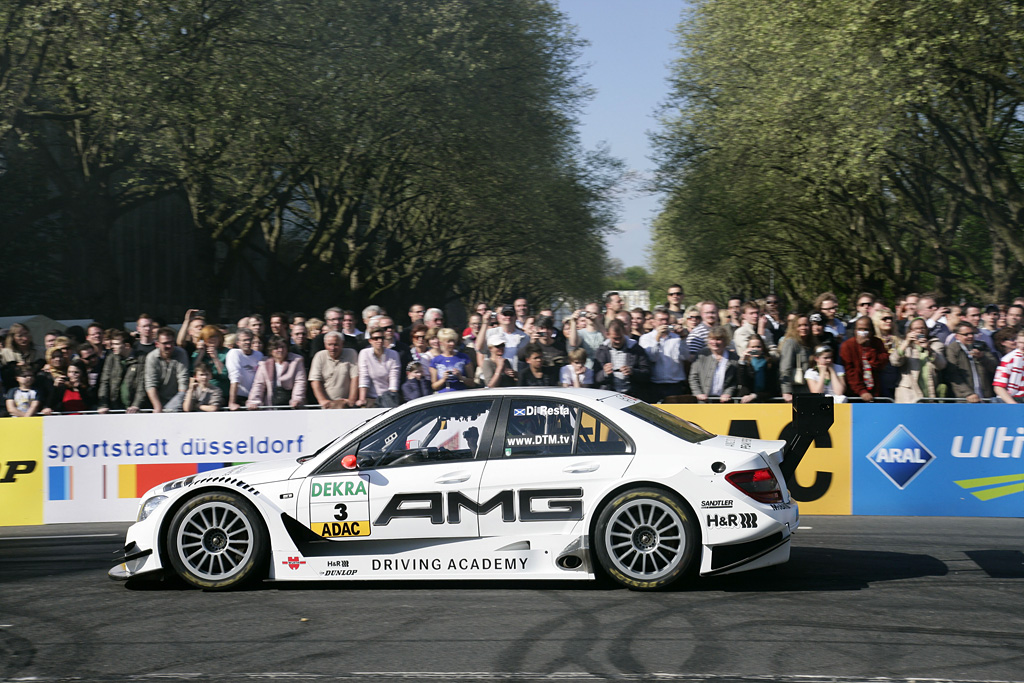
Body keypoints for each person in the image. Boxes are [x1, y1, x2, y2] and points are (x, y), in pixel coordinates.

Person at [890, 317, 948, 403]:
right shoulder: (906, 346)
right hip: (908, 395)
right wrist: (906, 342)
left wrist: (929, 349)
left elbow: (942, 365)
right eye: (916, 329)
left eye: (922, 328)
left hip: (928, 392)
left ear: (927, 330)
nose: (920, 331)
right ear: (910, 331)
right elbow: (894, 361)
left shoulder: (936, 344)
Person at [640, 308, 690, 401]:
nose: (664, 322)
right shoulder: (645, 338)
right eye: (660, 320)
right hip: (655, 384)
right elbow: (651, 358)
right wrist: (657, 339)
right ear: (653, 322)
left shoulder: (676, 337)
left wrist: (683, 337)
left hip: (675, 384)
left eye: (666, 320)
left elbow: (685, 357)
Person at [594, 320, 651, 398]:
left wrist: (633, 372)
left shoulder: (636, 349)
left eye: (620, 338)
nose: (617, 341)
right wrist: (604, 373)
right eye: (615, 338)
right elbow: (596, 378)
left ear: (624, 333)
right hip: (608, 395)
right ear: (608, 335)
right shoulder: (601, 351)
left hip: (632, 395)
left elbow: (647, 374)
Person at [246, 336, 307, 409]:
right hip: (272, 401)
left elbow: (300, 381)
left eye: (283, 347)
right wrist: (253, 402)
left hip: (291, 401)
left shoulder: (297, 360)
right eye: (276, 348)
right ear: (271, 350)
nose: (280, 350)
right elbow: (259, 384)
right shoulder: (264, 363)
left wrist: (297, 399)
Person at [839, 316, 888, 402]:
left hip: (875, 390)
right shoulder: (847, 346)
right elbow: (850, 372)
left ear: (871, 331)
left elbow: (880, 364)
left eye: (866, 329)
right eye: (859, 329)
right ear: (855, 331)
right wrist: (861, 390)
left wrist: (868, 348)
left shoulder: (877, 343)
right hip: (854, 393)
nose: (862, 332)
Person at [140, 327, 189, 413]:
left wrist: (176, 404)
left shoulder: (181, 353)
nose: (169, 346)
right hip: (157, 402)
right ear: (157, 344)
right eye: (165, 343)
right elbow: (150, 384)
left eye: (171, 343)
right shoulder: (151, 357)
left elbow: (183, 381)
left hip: (178, 402)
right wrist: (158, 407)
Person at [945, 323, 997, 403]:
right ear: (957, 336)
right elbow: (953, 374)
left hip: (984, 397)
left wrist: (982, 357)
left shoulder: (981, 345)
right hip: (964, 399)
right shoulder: (952, 349)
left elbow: (994, 367)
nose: (970, 336)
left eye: (972, 333)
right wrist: (968, 393)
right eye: (966, 334)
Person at [309, 331, 359, 409]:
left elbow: (355, 378)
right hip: (327, 405)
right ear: (325, 345)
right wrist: (322, 400)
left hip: (346, 404)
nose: (332, 348)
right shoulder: (319, 356)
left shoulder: (351, 353)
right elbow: (315, 381)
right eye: (329, 345)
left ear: (342, 343)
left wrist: (351, 400)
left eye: (336, 344)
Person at [688, 326, 738, 402]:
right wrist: (698, 393)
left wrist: (728, 393)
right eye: (712, 339)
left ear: (725, 341)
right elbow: (693, 377)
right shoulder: (702, 355)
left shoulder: (733, 358)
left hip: (724, 401)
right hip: (704, 400)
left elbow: (734, 380)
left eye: (718, 339)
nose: (714, 342)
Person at [358, 325, 401, 407]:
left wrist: (392, 398)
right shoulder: (364, 353)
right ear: (370, 340)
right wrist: (362, 399)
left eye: (382, 338)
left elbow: (394, 377)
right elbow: (364, 376)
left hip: (388, 397)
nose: (379, 341)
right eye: (376, 338)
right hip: (370, 397)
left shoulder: (393, 354)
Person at [97, 330, 135, 413]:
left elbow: (141, 385)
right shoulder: (111, 358)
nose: (112, 347)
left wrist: (136, 404)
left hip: (133, 408)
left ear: (127, 345)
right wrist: (103, 404)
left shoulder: (139, 359)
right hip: (115, 406)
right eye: (112, 344)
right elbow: (104, 382)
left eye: (116, 344)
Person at [778, 314, 815, 402]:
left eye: (806, 325)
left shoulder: (811, 343)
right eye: (799, 326)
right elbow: (785, 368)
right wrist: (786, 391)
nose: (803, 328)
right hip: (796, 390)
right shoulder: (791, 343)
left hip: (810, 389)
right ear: (794, 328)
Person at [226, 328, 264, 410]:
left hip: (255, 399)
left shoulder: (259, 355)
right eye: (244, 340)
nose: (248, 342)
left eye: (250, 339)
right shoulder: (234, 353)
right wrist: (232, 402)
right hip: (239, 398)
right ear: (238, 343)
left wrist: (255, 399)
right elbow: (235, 377)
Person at [736, 334, 779, 403]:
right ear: (748, 348)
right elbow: (742, 382)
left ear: (763, 347)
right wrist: (742, 361)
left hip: (765, 400)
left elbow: (772, 387)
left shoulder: (770, 363)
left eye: (758, 347)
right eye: (752, 347)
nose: (755, 349)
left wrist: (755, 395)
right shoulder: (745, 363)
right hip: (746, 401)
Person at [429, 328, 474, 393]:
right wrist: (443, 379)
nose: (452, 344)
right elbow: (434, 386)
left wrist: (461, 377)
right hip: (443, 396)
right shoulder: (435, 361)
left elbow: (472, 383)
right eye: (449, 341)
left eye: (453, 341)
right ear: (441, 342)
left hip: (461, 394)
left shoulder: (464, 357)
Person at [871, 307, 901, 399]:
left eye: (890, 318)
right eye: (884, 319)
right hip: (880, 382)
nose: (888, 321)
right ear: (877, 321)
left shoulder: (899, 340)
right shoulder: (873, 341)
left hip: (897, 381)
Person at [0, 323, 41, 388]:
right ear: (13, 337)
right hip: (11, 387)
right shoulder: (5, 353)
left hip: (35, 387)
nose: (24, 338)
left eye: (26, 334)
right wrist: (15, 367)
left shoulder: (39, 351)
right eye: (20, 336)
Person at [993, 328, 1024, 403]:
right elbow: (998, 387)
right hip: (1014, 400)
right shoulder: (1009, 359)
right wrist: (1013, 405)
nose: (1023, 346)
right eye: (1021, 342)